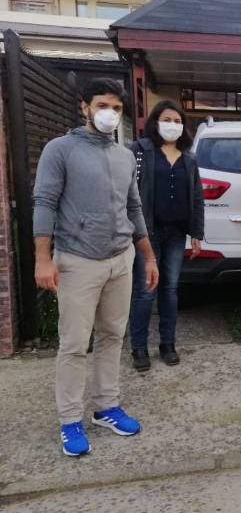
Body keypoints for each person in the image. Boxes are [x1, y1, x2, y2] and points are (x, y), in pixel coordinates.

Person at [33, 77, 159, 457]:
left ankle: (106, 406)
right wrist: (42, 257)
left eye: (117, 108)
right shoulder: (61, 150)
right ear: (84, 107)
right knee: (73, 344)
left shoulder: (122, 156)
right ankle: (69, 419)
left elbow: (133, 208)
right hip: (77, 260)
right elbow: (44, 202)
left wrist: (148, 256)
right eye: (103, 106)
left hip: (120, 258)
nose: (110, 114)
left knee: (111, 337)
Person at [128, 100, 204, 371]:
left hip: (176, 233)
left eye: (177, 121)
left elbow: (197, 196)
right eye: (167, 119)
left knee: (170, 289)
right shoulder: (139, 150)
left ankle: (167, 343)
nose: (172, 125)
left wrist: (197, 232)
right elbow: (130, 194)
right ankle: (138, 347)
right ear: (155, 121)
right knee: (146, 290)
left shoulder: (189, 157)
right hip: (147, 233)